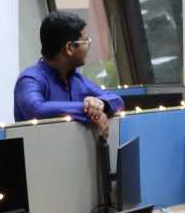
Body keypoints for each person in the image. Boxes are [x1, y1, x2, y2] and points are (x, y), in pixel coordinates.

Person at [13, 11, 124, 139]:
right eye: (85, 41)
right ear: (69, 48)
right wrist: (87, 109)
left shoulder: (76, 79)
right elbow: (36, 109)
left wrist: (101, 104)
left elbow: (117, 101)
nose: (88, 45)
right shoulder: (30, 79)